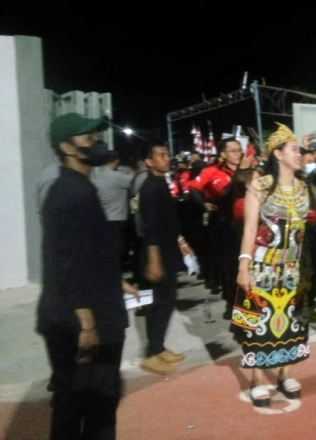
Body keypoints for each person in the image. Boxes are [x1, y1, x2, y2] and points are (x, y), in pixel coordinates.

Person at [39, 113, 136, 439]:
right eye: (88, 137)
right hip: (85, 324)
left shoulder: (78, 187)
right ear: (67, 147)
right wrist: (87, 325)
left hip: (84, 314)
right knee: (92, 409)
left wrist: (114, 280)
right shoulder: (72, 192)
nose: (97, 142)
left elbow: (83, 252)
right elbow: (64, 264)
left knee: (81, 405)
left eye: (96, 135)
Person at [233, 123, 311, 407]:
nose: (299, 154)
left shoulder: (303, 188)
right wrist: (243, 267)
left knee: (292, 323)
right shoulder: (260, 186)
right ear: (277, 154)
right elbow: (249, 229)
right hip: (263, 268)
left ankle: (285, 373)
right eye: (293, 149)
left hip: (293, 269)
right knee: (259, 325)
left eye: (299, 150)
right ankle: (256, 379)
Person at [138, 143, 191, 375]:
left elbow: (169, 221)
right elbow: (150, 227)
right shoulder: (150, 188)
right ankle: (152, 353)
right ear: (149, 162)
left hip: (167, 251)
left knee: (167, 302)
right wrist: (154, 260)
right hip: (157, 254)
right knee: (158, 304)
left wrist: (181, 242)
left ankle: (159, 347)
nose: (167, 158)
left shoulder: (161, 183)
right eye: (161, 155)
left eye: (168, 154)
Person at [188, 138, 242, 317]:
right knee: (230, 265)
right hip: (225, 223)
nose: (238, 154)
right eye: (233, 151)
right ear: (223, 154)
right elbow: (194, 188)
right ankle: (231, 304)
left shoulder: (250, 170)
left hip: (247, 223)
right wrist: (204, 204)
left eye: (239, 150)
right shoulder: (211, 172)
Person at [93, 150, 134, 265]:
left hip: (104, 219)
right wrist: (128, 171)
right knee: (120, 250)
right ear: (116, 161)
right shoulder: (117, 177)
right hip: (118, 218)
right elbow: (134, 181)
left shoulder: (98, 177)